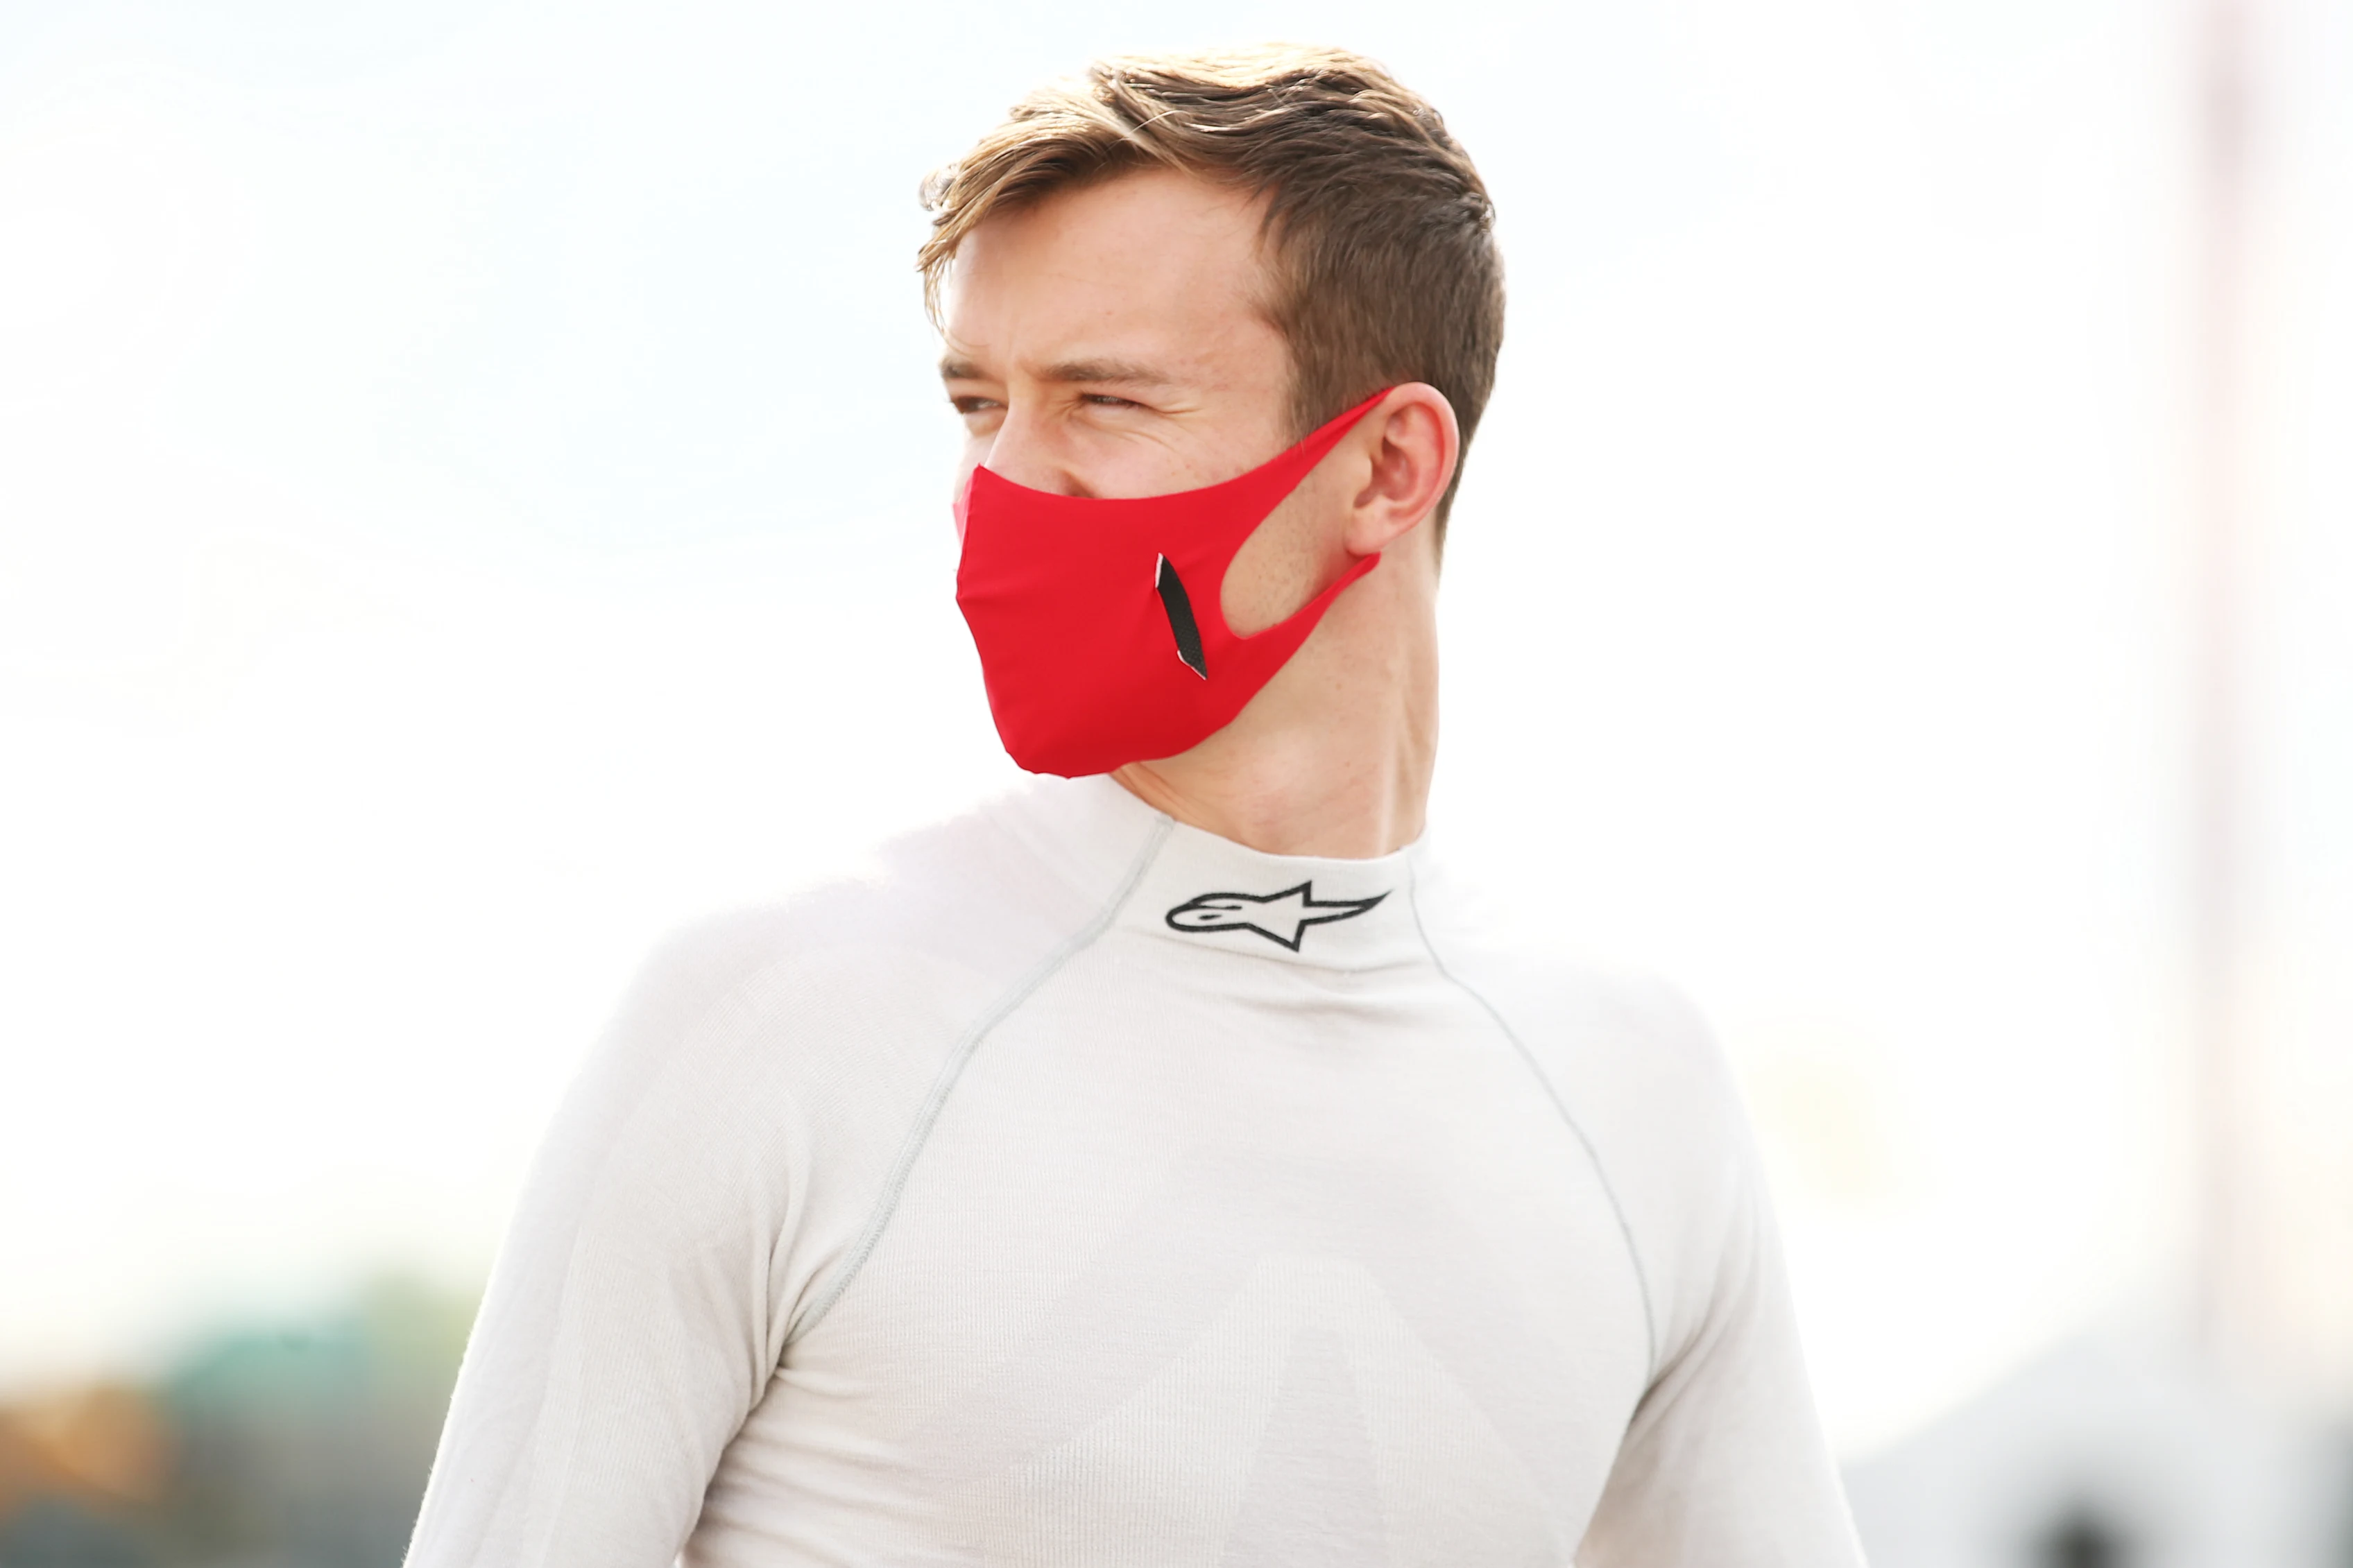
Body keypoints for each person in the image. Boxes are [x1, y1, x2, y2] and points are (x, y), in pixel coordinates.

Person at [404, 45, 1863, 1567]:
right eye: (980, 405)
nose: (1005, 484)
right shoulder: (775, 1018)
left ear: (1386, 466)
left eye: (1103, 401)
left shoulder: (1635, 1086)